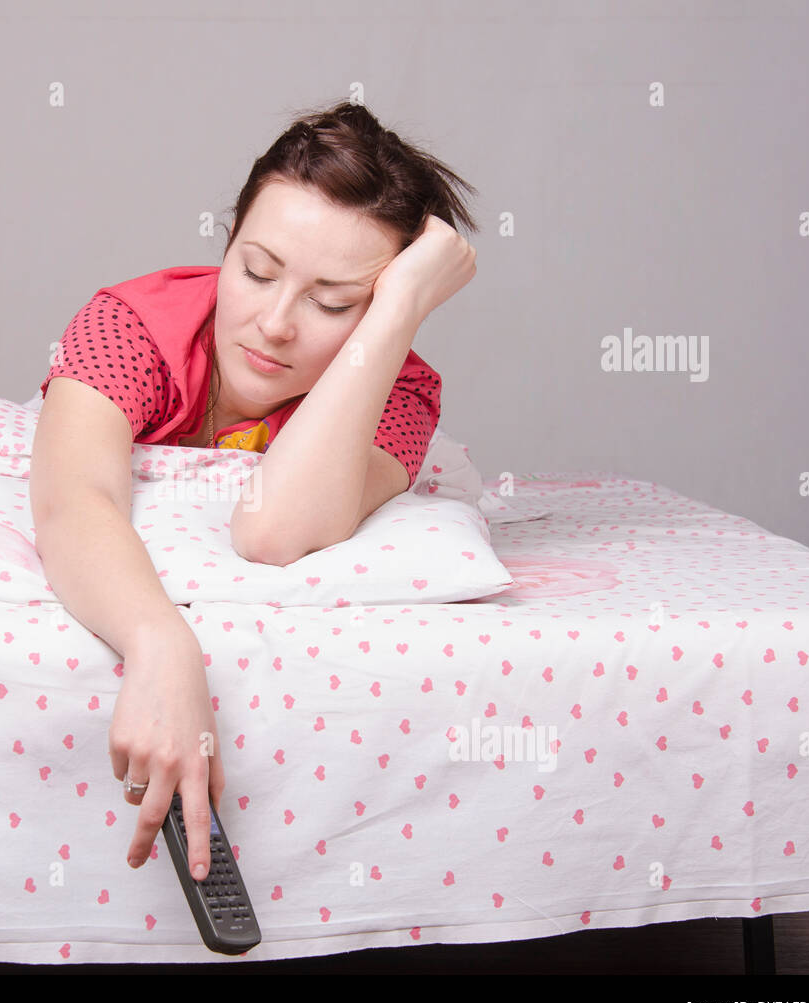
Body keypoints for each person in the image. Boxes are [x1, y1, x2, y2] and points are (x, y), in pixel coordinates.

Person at [28, 99, 478, 888]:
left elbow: (275, 531)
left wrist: (400, 305)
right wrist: (160, 641)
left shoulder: (400, 393)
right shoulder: (130, 325)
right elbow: (72, 498)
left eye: (333, 302)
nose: (273, 323)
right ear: (227, 244)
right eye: (257, 270)